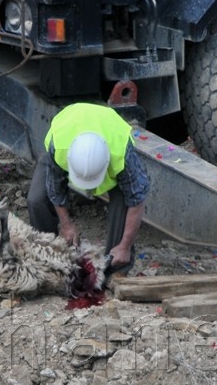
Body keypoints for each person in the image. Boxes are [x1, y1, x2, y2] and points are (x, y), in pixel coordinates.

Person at [27, 103, 149, 273]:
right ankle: (50, 256)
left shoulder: (121, 152)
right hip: (66, 139)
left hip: (111, 141)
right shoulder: (60, 146)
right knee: (36, 199)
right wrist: (66, 225)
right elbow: (55, 189)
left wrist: (125, 245)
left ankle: (115, 266)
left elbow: (137, 199)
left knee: (124, 201)